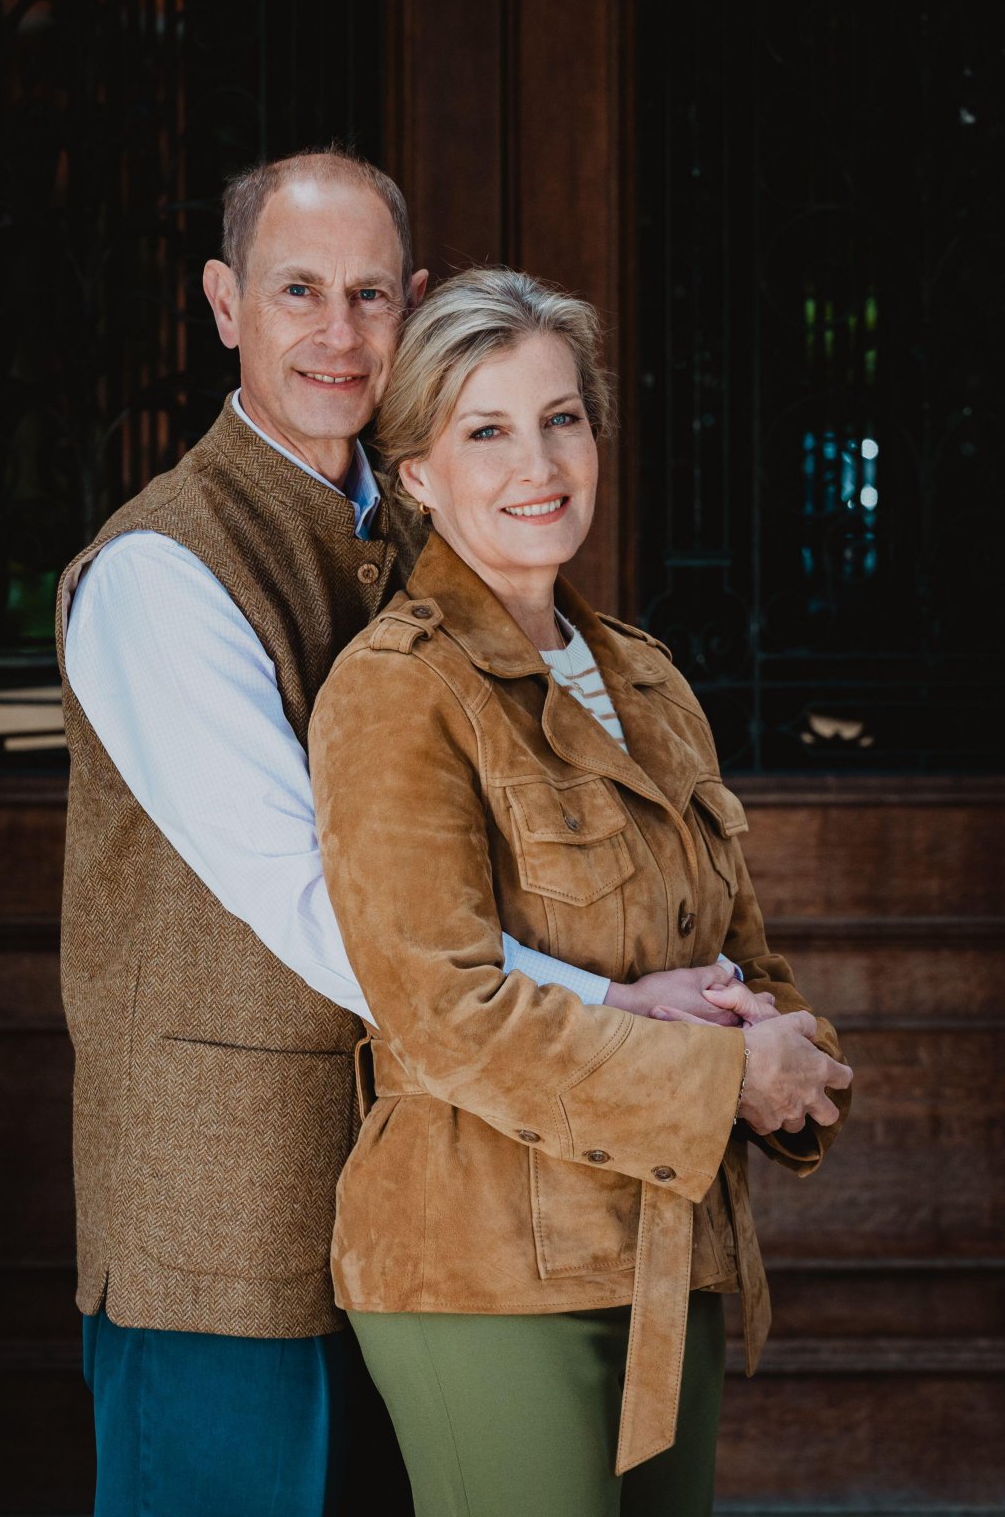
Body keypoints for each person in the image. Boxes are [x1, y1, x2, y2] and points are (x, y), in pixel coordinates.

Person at [56, 147, 757, 1515]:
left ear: (416, 305)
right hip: (229, 1211)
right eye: (297, 290)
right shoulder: (163, 569)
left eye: (372, 295)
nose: (337, 332)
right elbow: (320, 901)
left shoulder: (423, 534)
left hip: (437, 1204)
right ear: (222, 303)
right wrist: (625, 1013)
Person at [309, 266, 854, 1517]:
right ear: (416, 475)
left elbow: (740, 956)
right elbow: (441, 1011)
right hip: (481, 1263)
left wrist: (788, 1051)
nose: (537, 461)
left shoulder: (650, 680)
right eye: (485, 429)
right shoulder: (396, 689)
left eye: (562, 417)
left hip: (670, 1246)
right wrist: (729, 1075)